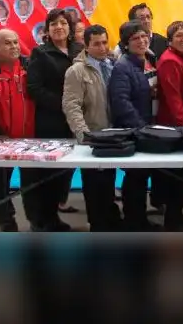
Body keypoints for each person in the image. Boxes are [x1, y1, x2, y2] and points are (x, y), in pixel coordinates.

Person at [24, 8, 83, 231]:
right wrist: (64, 105)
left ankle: (54, 216)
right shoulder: (40, 53)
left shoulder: (80, 50)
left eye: (63, 23)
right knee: (49, 173)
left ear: (69, 28)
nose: (59, 27)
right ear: (47, 30)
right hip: (51, 121)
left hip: (76, 122)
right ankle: (44, 220)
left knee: (66, 172)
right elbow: (34, 89)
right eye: (53, 24)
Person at [63, 24, 122, 232]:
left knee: (108, 182)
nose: (102, 47)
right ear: (86, 46)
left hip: (113, 134)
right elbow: (71, 105)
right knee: (93, 185)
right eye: (96, 44)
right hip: (92, 137)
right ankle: (97, 226)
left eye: (105, 42)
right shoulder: (76, 71)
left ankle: (109, 220)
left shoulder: (113, 65)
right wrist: (83, 134)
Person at [109, 21, 160, 231]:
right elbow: (121, 102)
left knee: (140, 177)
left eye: (143, 36)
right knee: (135, 177)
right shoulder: (123, 67)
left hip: (146, 127)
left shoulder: (145, 61)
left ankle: (138, 219)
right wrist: (141, 128)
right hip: (134, 130)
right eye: (135, 38)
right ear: (126, 44)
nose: (141, 41)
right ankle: (134, 223)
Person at [0, 29, 33, 232]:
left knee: (33, 185)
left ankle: (37, 221)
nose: (14, 46)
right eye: (7, 43)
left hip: (31, 141)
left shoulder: (29, 68)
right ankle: (6, 224)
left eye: (15, 42)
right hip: (0, 141)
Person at [155, 21, 183, 231]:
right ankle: (172, 220)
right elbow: (174, 100)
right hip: (175, 127)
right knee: (175, 175)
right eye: (179, 36)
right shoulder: (169, 61)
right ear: (170, 41)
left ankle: (177, 215)